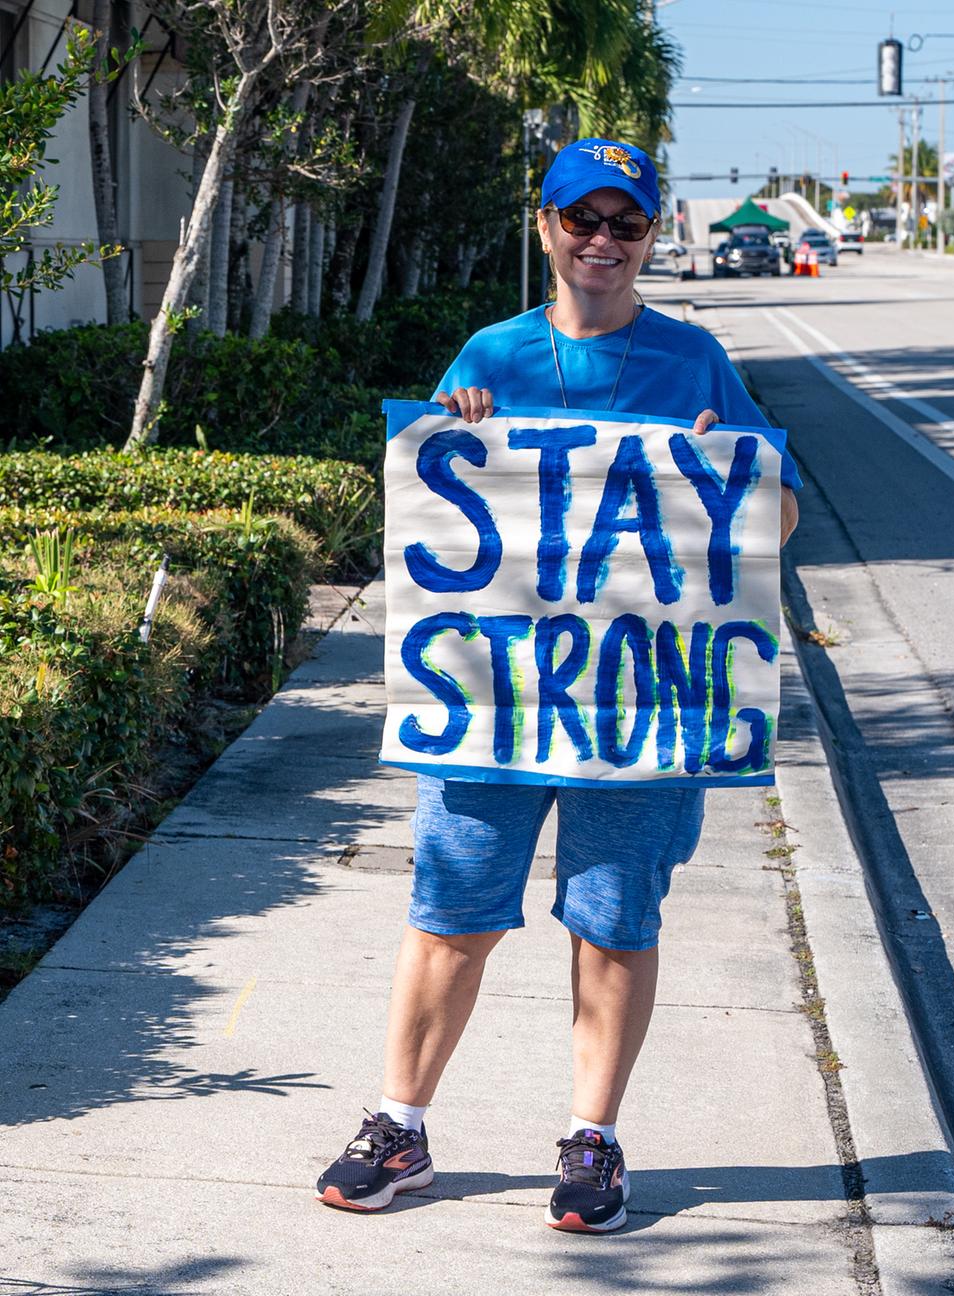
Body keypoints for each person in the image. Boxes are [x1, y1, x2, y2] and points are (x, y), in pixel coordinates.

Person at [316, 137, 801, 1232]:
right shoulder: (490, 352)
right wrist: (460, 432)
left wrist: (734, 478)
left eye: (626, 223)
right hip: (496, 697)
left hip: (642, 703)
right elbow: (443, 511)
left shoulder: (696, 361)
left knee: (615, 919)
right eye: (581, 219)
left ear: (649, 238)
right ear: (544, 228)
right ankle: (399, 1127)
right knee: (449, 912)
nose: (602, 241)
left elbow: (781, 524)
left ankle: (593, 1143)